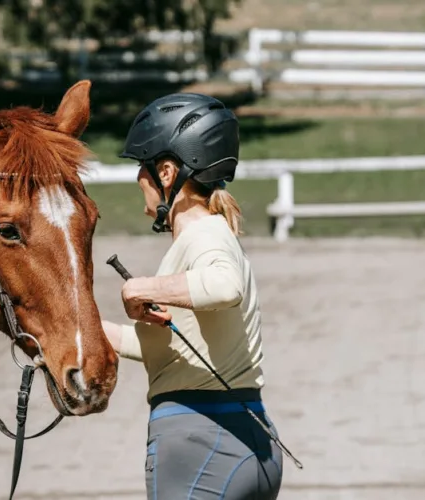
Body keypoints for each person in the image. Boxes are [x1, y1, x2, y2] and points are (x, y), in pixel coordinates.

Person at [101, 93, 297, 500]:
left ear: (167, 172)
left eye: (142, 166)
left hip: (200, 444)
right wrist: (76, 329)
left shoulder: (204, 234)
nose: (139, 179)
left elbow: (225, 286)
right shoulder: (207, 237)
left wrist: (140, 287)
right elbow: (168, 347)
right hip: (247, 441)